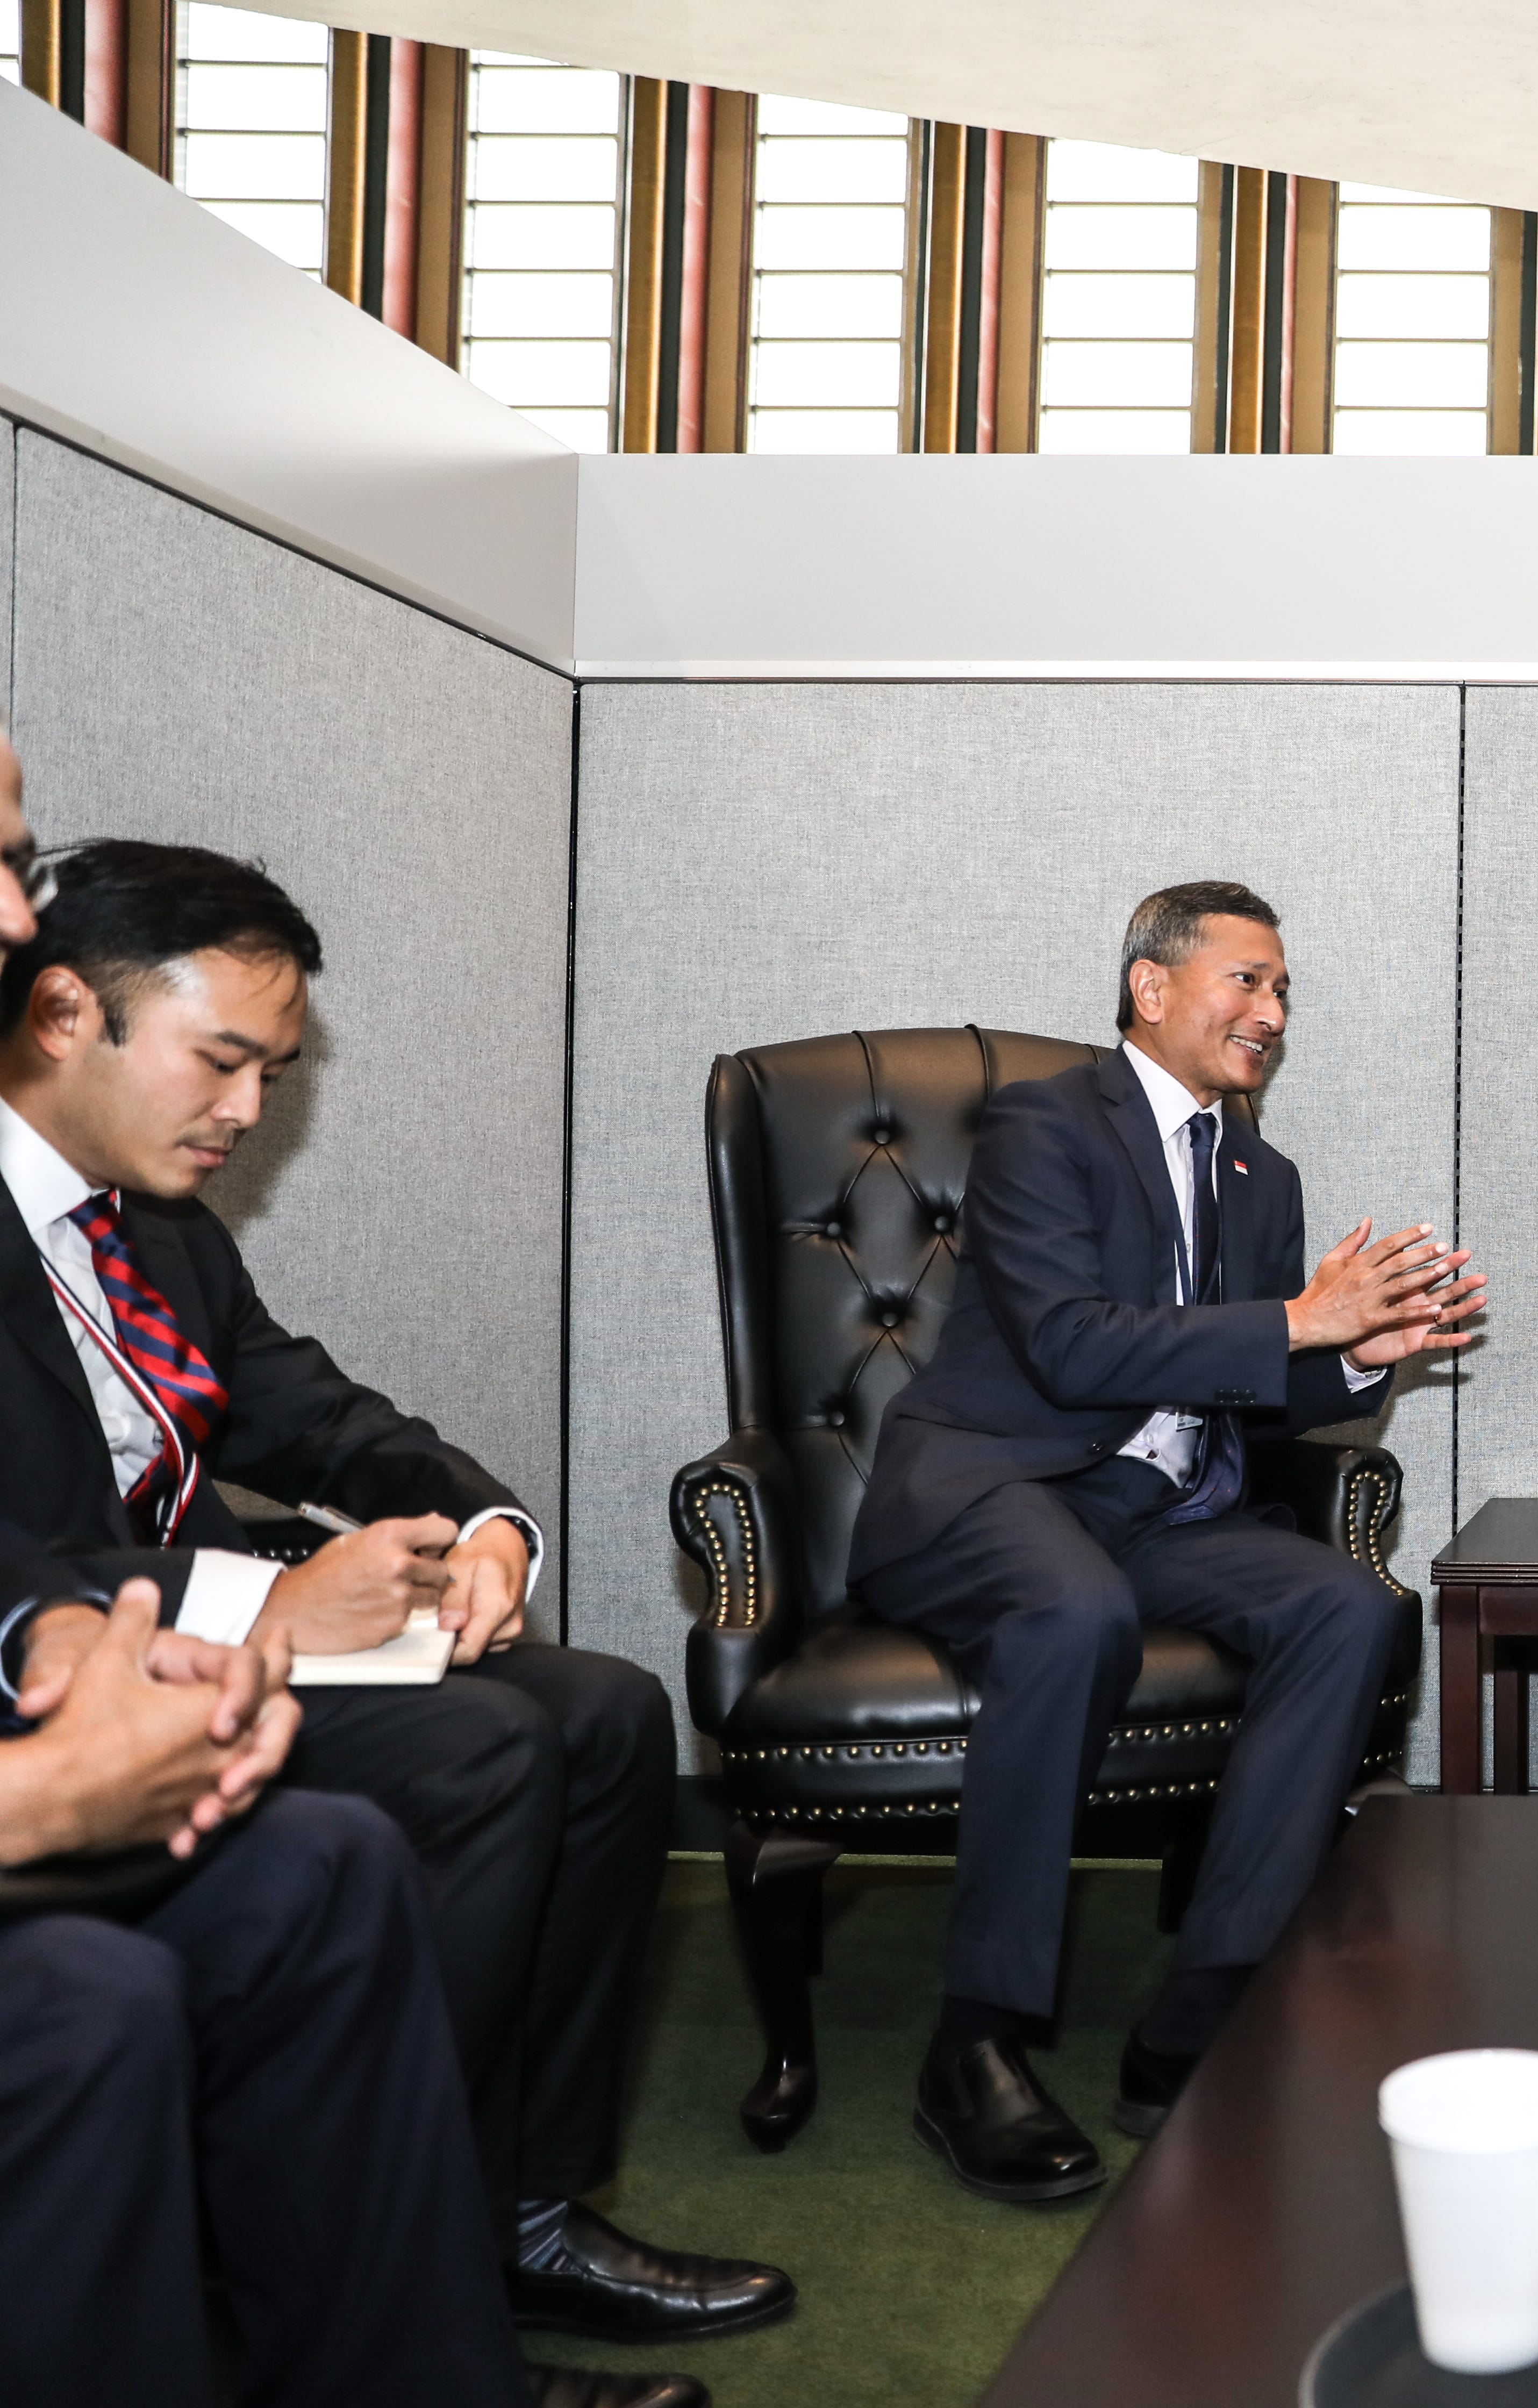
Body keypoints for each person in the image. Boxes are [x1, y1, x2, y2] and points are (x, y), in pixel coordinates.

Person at [0, 835, 786, 2374]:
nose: (246, 1112)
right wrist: (269, 1599)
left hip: (184, 1638)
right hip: (80, 1672)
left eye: (273, 1075)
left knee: (608, 1709)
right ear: (64, 1016)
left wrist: (488, 1526)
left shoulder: (152, 1226)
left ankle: (522, 2214)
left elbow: (314, 1413)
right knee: (487, 1749)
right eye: (221, 1061)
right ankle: (351, 2232)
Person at [851, 879, 1476, 2198]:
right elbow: (1072, 1345)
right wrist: (1300, 1322)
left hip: (1163, 1508)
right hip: (1000, 1485)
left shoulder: (1263, 1172)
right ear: (1151, 986)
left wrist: (1359, 1354)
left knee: (1354, 1608)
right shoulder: (1044, 1123)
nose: (1273, 1011)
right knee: (1076, 1612)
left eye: (1285, 990)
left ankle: (1203, 2004)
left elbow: (1261, 1375)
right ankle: (977, 2039)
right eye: (1247, 980)